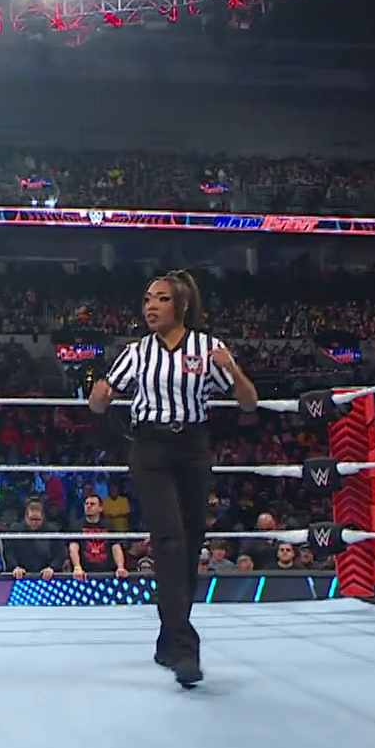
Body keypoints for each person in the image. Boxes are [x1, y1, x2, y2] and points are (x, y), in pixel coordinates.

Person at [87, 270, 257, 687]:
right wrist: (100, 393)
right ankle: (184, 647)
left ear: (180, 306)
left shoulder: (207, 348)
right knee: (169, 540)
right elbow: (97, 404)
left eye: (160, 298)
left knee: (191, 543)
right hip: (150, 448)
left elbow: (248, 402)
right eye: (147, 298)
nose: (150, 306)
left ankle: (168, 640)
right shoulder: (136, 352)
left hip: (193, 447)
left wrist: (233, 370)